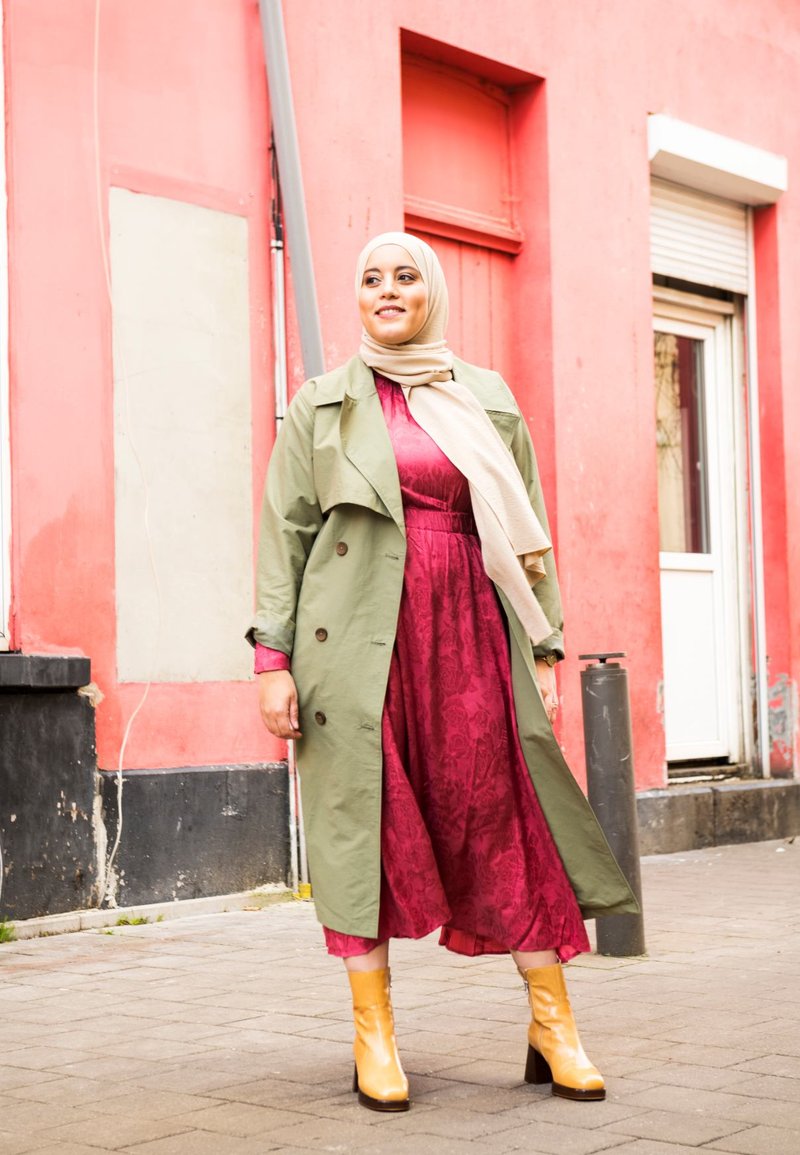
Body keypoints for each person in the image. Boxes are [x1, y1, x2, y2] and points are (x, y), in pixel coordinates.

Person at [247, 231, 638, 1114]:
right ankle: (373, 1037)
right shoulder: (322, 405)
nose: (388, 290)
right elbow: (285, 538)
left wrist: (542, 646)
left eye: (407, 276)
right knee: (364, 825)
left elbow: (528, 526)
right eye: (373, 278)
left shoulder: (486, 398)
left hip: (469, 634)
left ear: (433, 292)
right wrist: (273, 661)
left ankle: (553, 1023)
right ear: (358, 297)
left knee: (506, 817)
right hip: (353, 647)